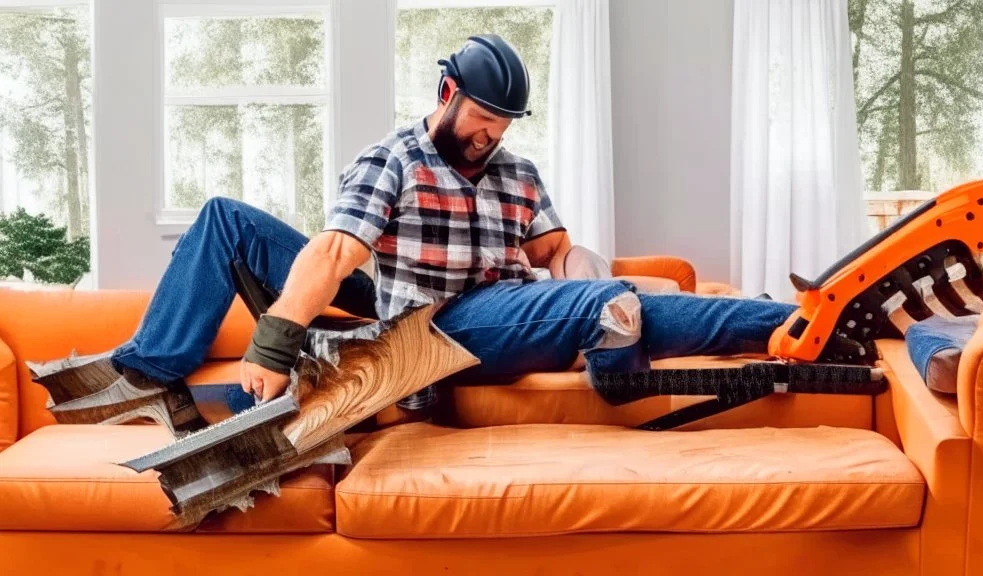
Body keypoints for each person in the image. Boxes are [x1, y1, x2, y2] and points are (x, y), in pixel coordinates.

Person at [111, 34, 796, 408]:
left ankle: (797, 321)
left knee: (617, 299)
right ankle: (147, 368)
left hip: (492, 304)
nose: (488, 136)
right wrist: (272, 342)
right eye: (480, 119)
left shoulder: (517, 172)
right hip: (418, 313)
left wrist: (581, 274)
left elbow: (556, 250)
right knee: (225, 219)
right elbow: (334, 252)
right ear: (448, 93)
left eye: (501, 126)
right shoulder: (395, 160)